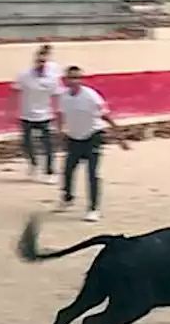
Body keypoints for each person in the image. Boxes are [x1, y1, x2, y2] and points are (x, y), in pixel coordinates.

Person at [55, 65, 129, 223]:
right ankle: (68, 197)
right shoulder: (63, 97)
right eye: (71, 78)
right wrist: (60, 131)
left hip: (92, 136)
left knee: (92, 174)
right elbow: (61, 114)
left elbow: (106, 116)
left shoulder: (91, 96)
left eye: (78, 78)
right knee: (67, 170)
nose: (75, 81)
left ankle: (93, 209)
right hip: (74, 137)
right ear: (65, 80)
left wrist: (120, 137)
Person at [13, 44, 60, 183]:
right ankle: (33, 164)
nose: (41, 64)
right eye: (39, 61)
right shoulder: (24, 75)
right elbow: (16, 91)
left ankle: (49, 171)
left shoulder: (53, 76)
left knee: (48, 144)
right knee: (27, 143)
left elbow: (57, 94)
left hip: (45, 114)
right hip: (26, 113)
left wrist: (58, 112)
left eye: (44, 61)